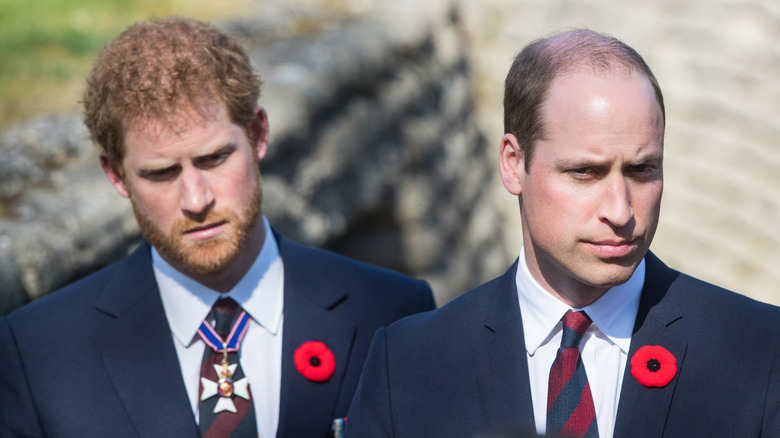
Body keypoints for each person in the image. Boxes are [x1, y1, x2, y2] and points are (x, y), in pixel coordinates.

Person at [0, 16, 434, 438]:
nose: (196, 200)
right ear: (116, 175)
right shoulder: (38, 352)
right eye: (160, 173)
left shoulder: (392, 313)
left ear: (258, 134)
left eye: (214, 159)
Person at [344, 29, 780, 437]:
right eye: (584, 172)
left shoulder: (761, 352)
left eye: (642, 170)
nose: (620, 210)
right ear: (514, 163)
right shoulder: (406, 364)